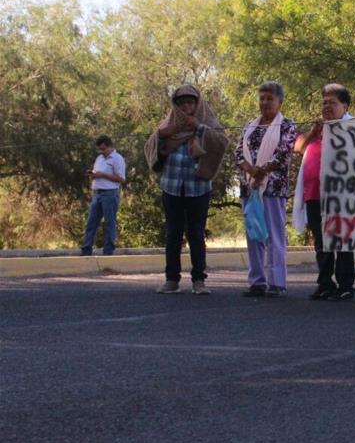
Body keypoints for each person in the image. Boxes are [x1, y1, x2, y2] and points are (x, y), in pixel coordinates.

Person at [144, 84, 228, 295]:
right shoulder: (169, 123)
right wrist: (163, 134)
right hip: (172, 185)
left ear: (197, 103)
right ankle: (171, 279)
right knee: (173, 233)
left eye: (190, 102)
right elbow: (152, 144)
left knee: (196, 234)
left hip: (197, 186)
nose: (186, 107)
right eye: (182, 103)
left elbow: (221, 142)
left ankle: (199, 280)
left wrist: (198, 127)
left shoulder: (207, 121)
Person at [293, 83, 355, 301]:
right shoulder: (317, 130)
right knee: (321, 242)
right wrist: (314, 131)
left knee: (342, 240)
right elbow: (299, 149)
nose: (327, 106)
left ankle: (346, 285)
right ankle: (325, 283)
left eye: (332, 102)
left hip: (340, 195)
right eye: (324, 102)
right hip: (314, 194)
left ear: (345, 106)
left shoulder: (352, 129)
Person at [235, 81, 298, 298]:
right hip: (249, 187)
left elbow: (283, 154)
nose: (265, 102)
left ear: (280, 101)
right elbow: (238, 153)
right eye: (262, 98)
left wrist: (261, 172)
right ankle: (257, 282)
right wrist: (251, 171)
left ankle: (276, 282)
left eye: (270, 98)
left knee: (274, 235)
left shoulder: (287, 125)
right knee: (254, 234)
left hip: (273, 187)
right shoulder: (249, 126)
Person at [80, 135, 126, 256]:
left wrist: (103, 175)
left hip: (110, 194)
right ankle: (86, 249)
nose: (102, 151)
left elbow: (121, 178)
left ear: (110, 146)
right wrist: (94, 175)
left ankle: (108, 250)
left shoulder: (117, 158)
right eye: (100, 149)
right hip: (97, 193)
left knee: (109, 222)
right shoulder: (99, 158)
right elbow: (98, 173)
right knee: (91, 222)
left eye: (104, 148)